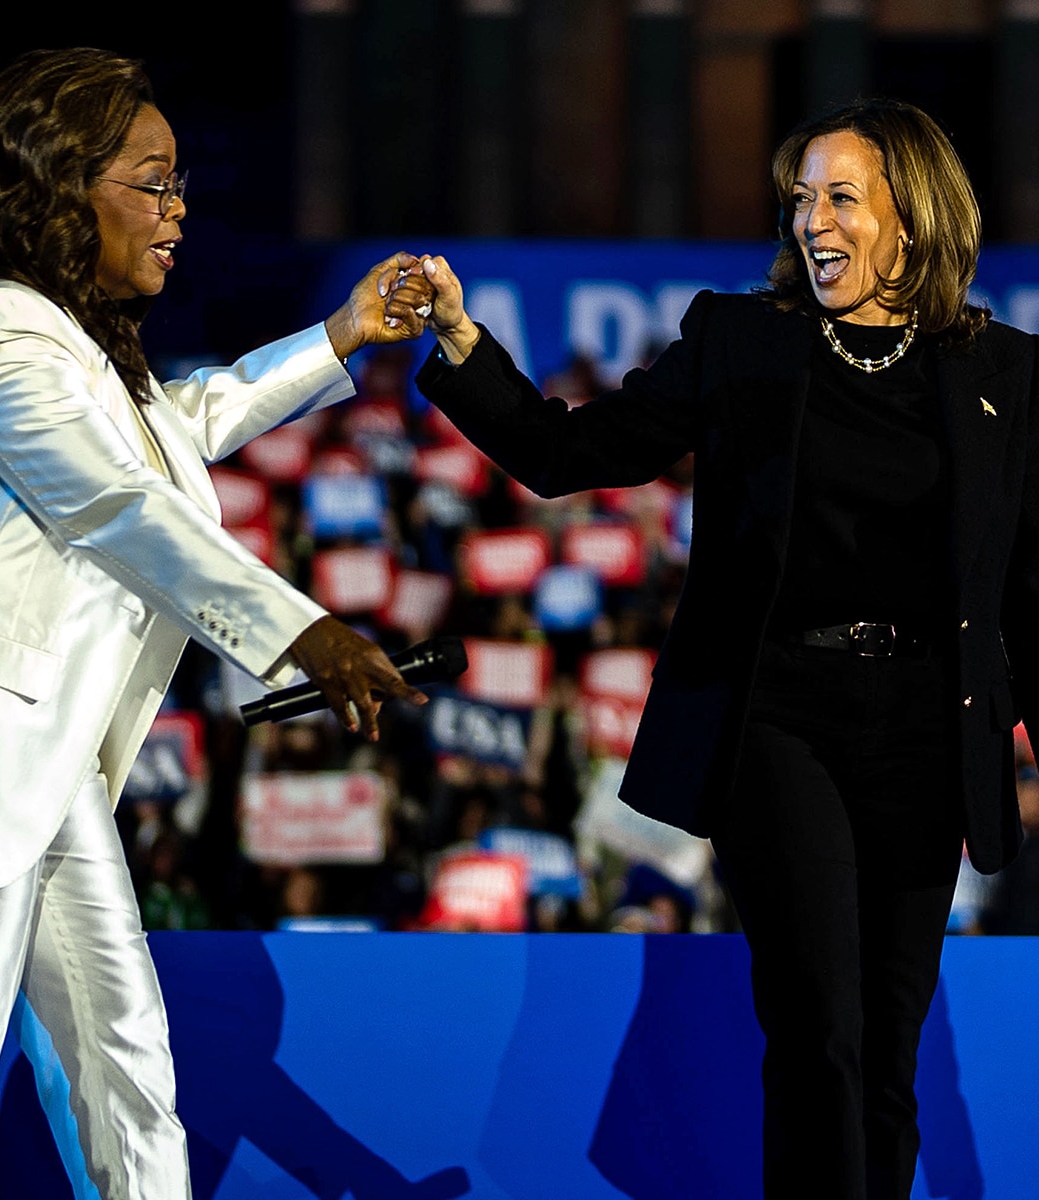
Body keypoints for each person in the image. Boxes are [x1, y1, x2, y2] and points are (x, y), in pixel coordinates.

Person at [0, 47, 439, 1200]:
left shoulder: (68, 340)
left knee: (125, 1070)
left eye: (179, 183)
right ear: (64, 189)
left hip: (43, 764)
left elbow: (176, 428)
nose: (179, 209)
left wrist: (339, 337)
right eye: (152, 181)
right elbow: (112, 500)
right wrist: (302, 631)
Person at [413, 99, 1039, 1200]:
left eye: (841, 197)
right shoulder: (741, 341)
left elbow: (1026, 594)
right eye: (801, 199)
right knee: (821, 1032)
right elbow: (569, 454)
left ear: (913, 219)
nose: (812, 221)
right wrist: (465, 347)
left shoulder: (1008, 376)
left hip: (926, 731)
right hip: (777, 717)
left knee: (889, 1048)